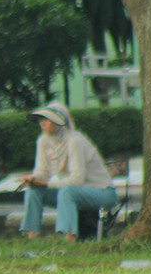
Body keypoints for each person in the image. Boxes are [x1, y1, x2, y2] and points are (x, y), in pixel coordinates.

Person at [19, 102, 117, 242]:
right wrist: (32, 179)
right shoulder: (42, 141)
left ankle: (69, 238)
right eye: (41, 119)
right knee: (33, 191)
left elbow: (77, 180)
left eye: (47, 119)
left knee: (67, 192)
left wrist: (46, 183)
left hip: (101, 192)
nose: (43, 123)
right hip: (72, 191)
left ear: (60, 122)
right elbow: (42, 171)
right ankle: (31, 237)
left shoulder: (74, 141)